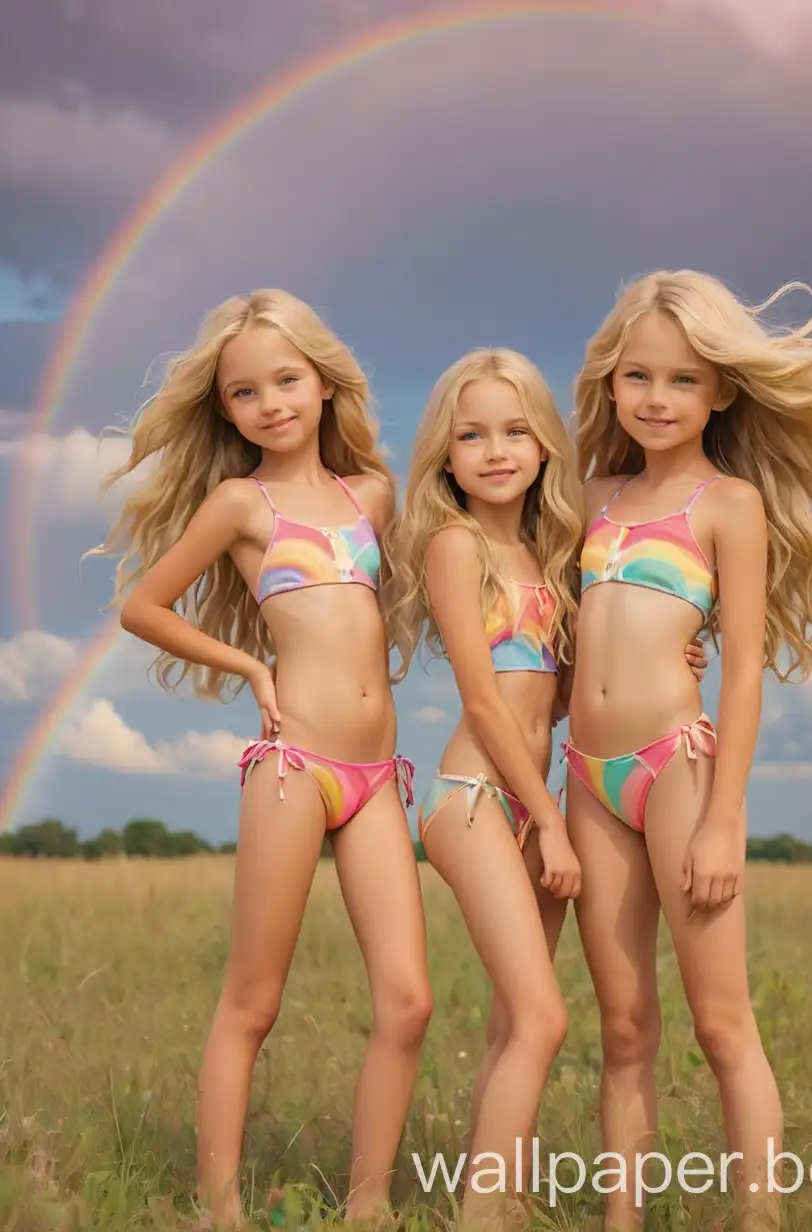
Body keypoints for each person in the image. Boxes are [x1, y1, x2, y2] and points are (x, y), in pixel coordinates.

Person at [561, 269, 812, 1230]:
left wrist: (722, 822)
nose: (656, 398)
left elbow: (747, 670)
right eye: (637, 376)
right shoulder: (591, 495)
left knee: (723, 1023)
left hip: (677, 769)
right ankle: (620, 1222)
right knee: (624, 1027)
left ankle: (758, 1219)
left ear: (721, 390)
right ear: (610, 383)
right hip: (586, 781)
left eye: (682, 380)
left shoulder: (729, 506)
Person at [91, 289, 433, 1229]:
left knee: (407, 1002)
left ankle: (369, 1209)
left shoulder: (372, 493)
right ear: (229, 410)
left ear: (324, 383)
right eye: (246, 393)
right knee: (254, 1001)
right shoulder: (241, 502)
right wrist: (250, 664)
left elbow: (445, 586)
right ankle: (221, 1212)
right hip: (295, 769)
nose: (271, 403)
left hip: (378, 782)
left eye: (287, 380)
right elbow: (144, 607)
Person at [381, 347, 707, 1228]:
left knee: (508, 1029)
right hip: (478, 800)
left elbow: (559, 690)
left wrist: (667, 650)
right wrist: (554, 829)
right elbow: (486, 703)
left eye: (516, 430)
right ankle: (482, 1217)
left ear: (545, 444)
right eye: (471, 434)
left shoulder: (548, 551)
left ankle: (509, 1204)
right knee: (542, 1019)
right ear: (444, 454)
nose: (495, 451)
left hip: (532, 804)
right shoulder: (456, 545)